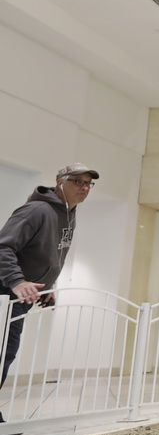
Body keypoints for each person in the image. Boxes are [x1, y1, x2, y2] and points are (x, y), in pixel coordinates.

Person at [0, 163, 99, 399]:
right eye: (77, 181)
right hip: (6, 293)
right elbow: (3, 247)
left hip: (23, 296)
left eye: (88, 183)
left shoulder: (68, 213)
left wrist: (48, 285)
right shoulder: (37, 211)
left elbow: (49, 254)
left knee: (6, 354)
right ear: (60, 182)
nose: (84, 187)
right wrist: (17, 281)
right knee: (4, 352)